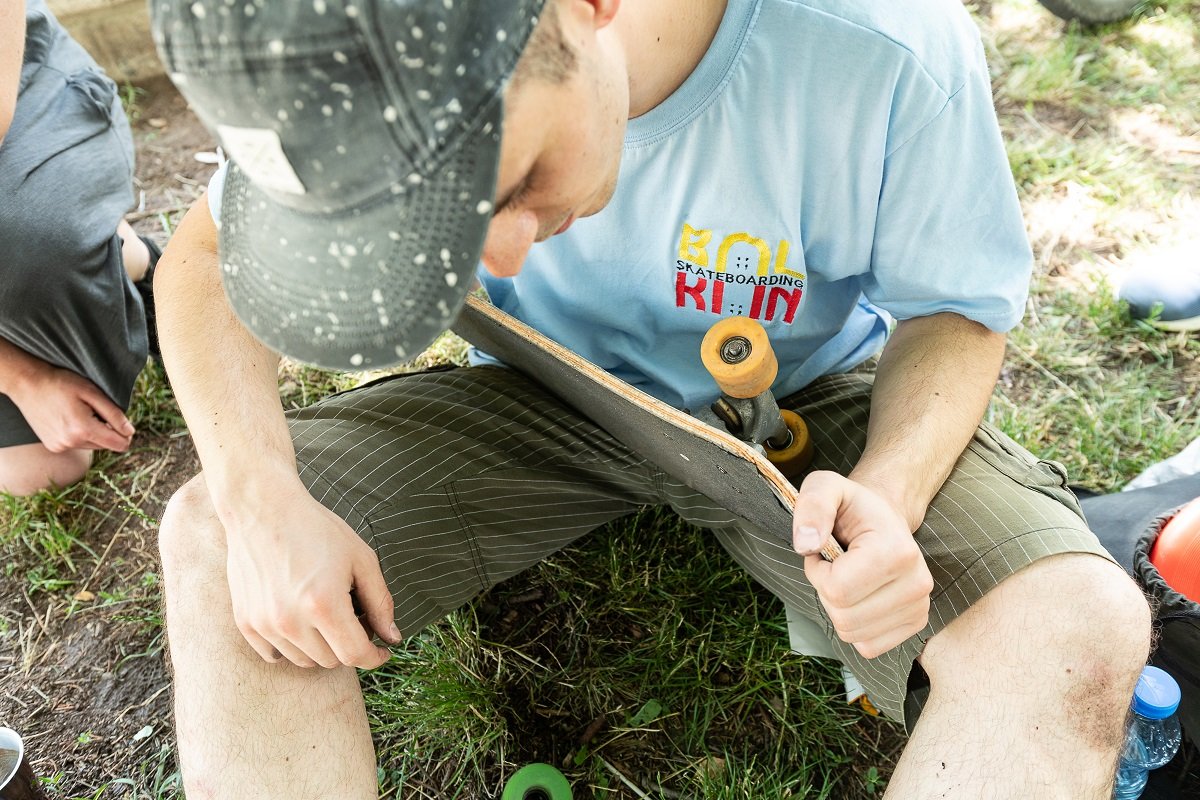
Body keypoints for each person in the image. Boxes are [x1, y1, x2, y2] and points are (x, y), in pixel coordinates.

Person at [149, 0, 1152, 796]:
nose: (493, 257)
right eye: (437, 223)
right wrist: (257, 496)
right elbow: (200, 263)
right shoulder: (330, 51)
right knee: (212, 538)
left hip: (804, 407)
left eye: (509, 184)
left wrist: (892, 489)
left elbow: (955, 311)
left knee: (1072, 623)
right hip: (538, 385)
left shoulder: (886, 43)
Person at [0, 0, 157, 496]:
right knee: (35, 473)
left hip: (28, 96)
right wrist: (24, 378)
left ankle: (126, 257)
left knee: (21, 241)